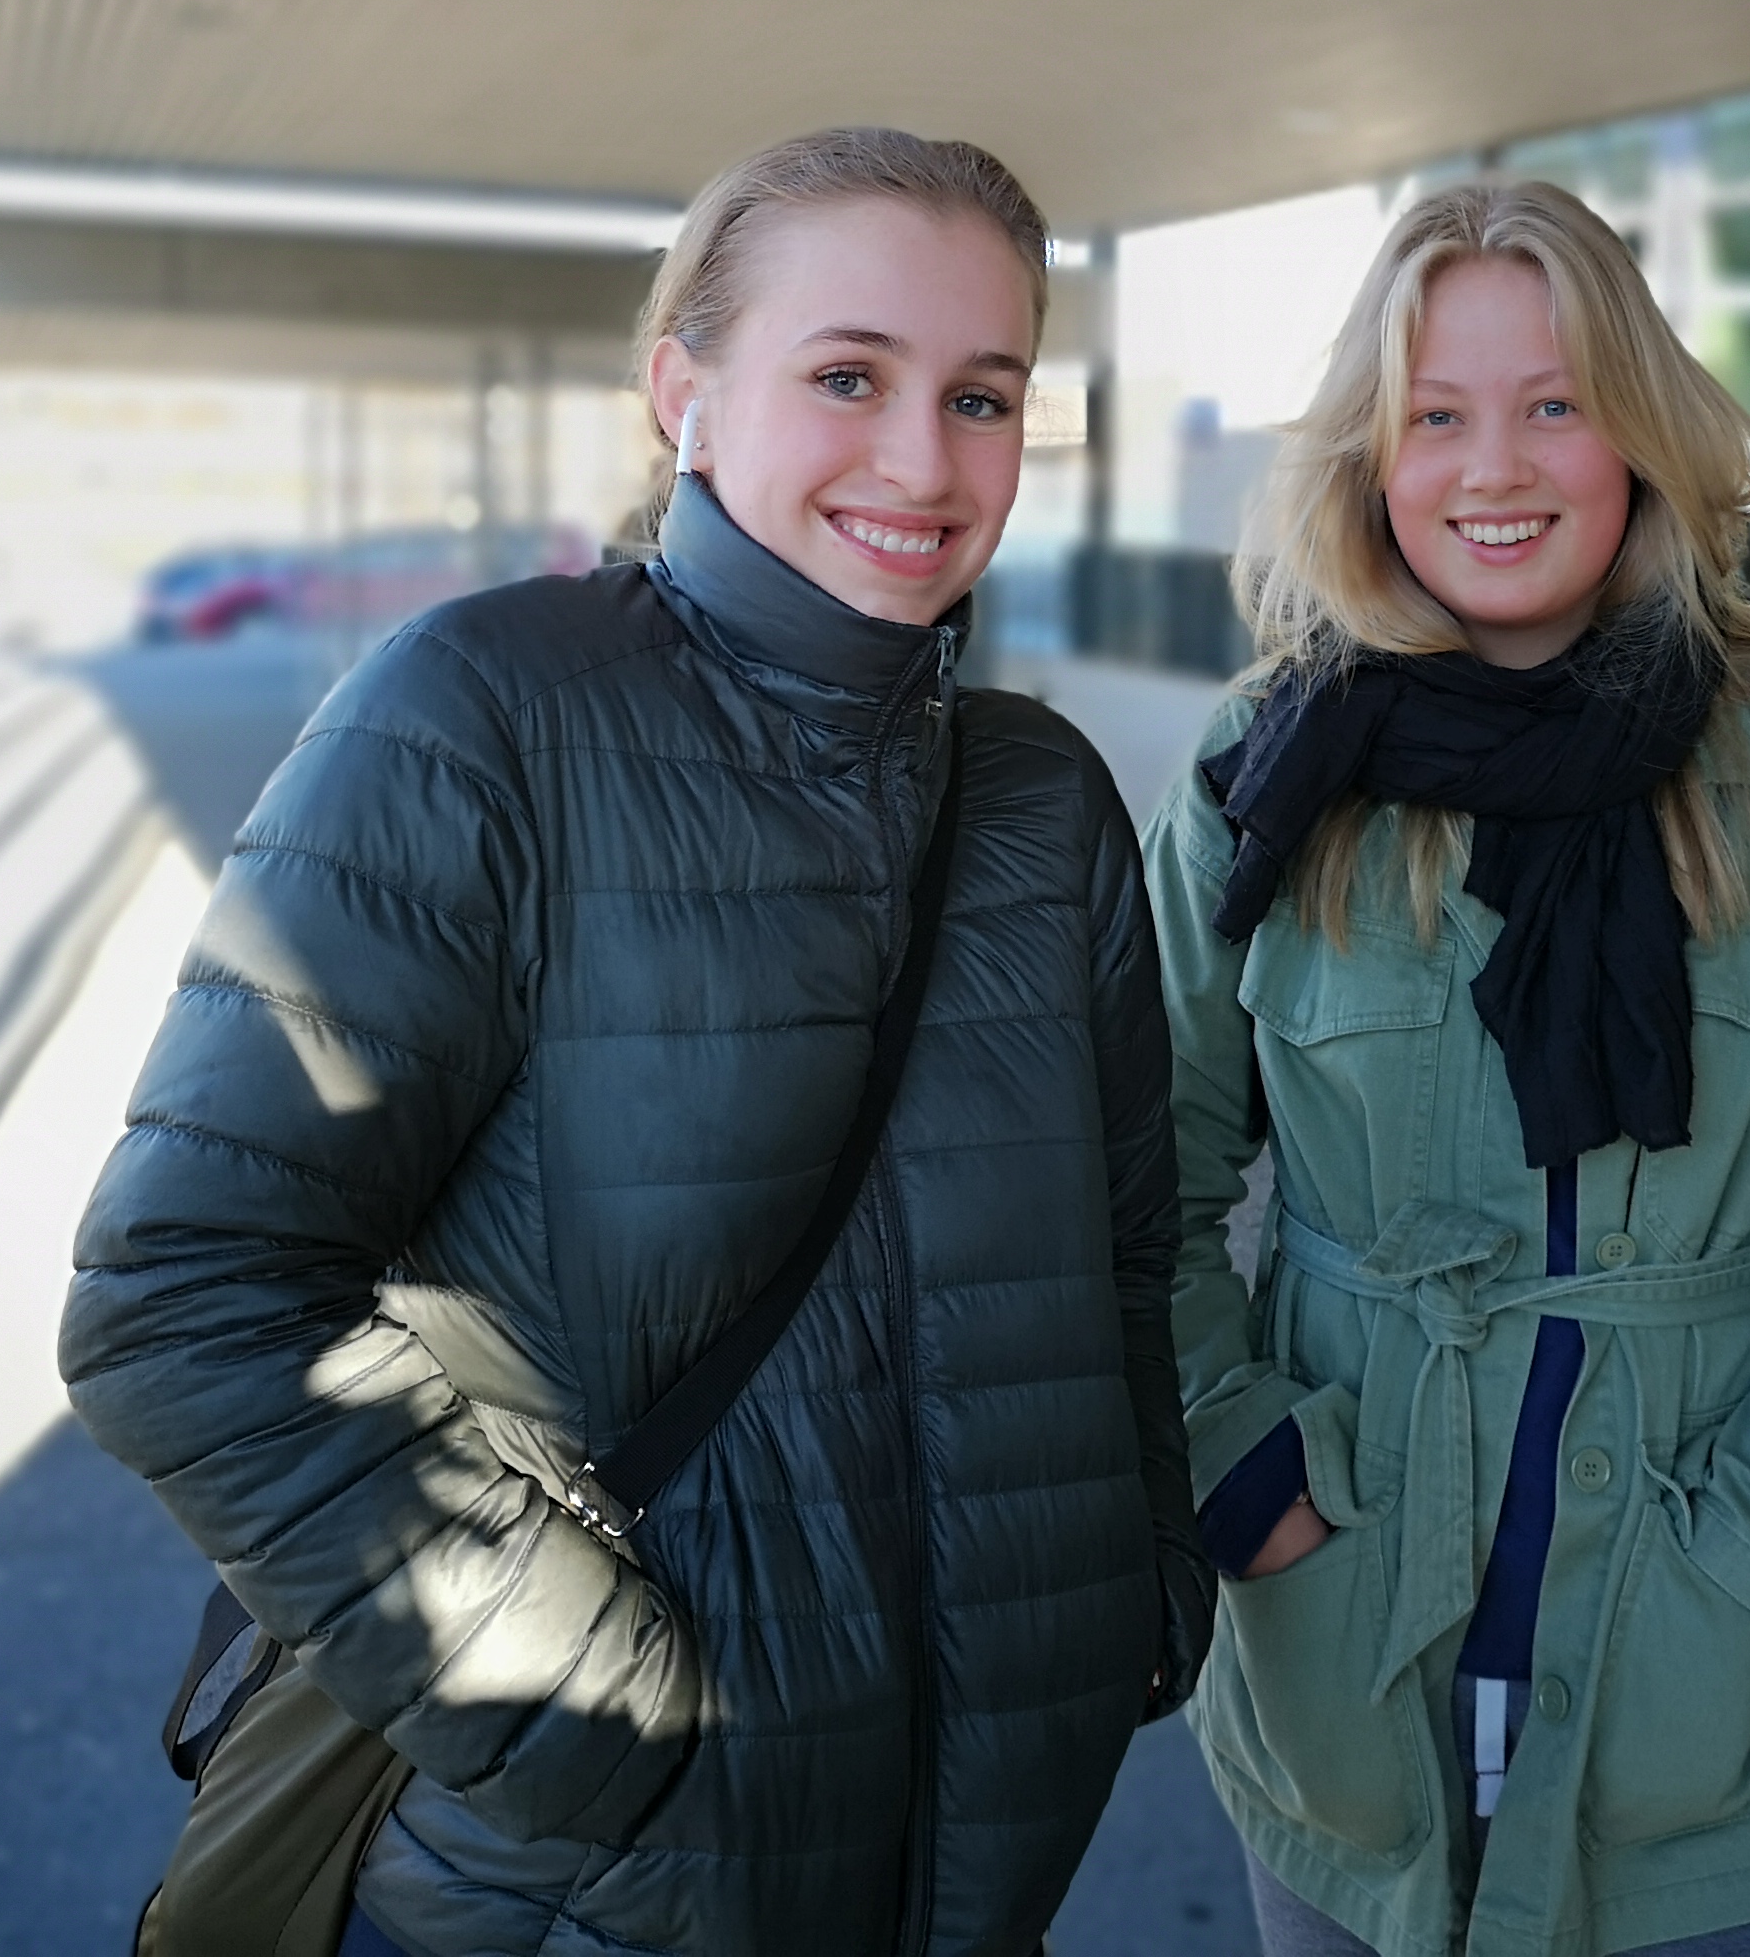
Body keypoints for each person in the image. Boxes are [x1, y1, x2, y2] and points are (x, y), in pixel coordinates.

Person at [63, 129, 1212, 1957]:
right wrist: (579, 1719)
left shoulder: (1039, 801)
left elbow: (1128, 1255)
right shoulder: (483, 715)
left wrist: (1133, 1592)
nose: (924, 459)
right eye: (849, 376)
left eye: (982, 396)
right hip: (568, 1884)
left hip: (987, 1846)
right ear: (684, 388)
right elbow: (186, 1297)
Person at [1149, 181, 1750, 1957]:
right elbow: (1119, 1181)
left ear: (1638, 425)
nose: (1497, 468)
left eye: (1554, 403)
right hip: (1347, 1684)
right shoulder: (1264, 765)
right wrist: (1244, 1483)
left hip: (1727, 1715)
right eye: (1437, 415)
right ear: (1371, 454)